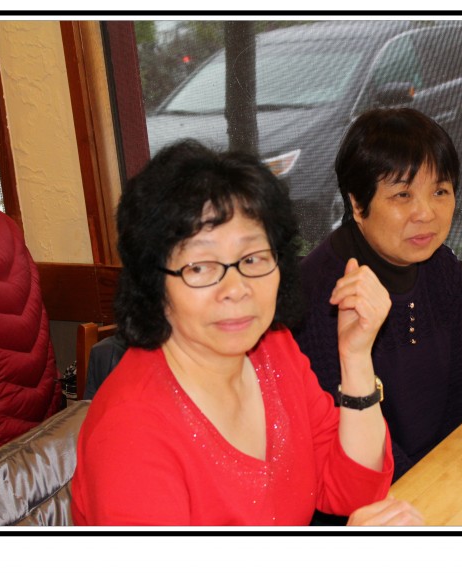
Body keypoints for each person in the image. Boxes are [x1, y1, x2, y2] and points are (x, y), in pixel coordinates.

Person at [70, 139, 422, 526]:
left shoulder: (272, 350)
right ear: (153, 281)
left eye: (252, 258)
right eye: (200, 266)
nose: (236, 289)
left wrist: (355, 358)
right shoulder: (129, 433)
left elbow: (352, 490)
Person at [293, 108, 462, 482]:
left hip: (441, 477)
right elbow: (340, 434)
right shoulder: (322, 295)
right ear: (357, 204)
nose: (426, 213)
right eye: (402, 194)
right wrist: (430, 493)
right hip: (368, 494)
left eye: (440, 191)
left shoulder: (441, 265)